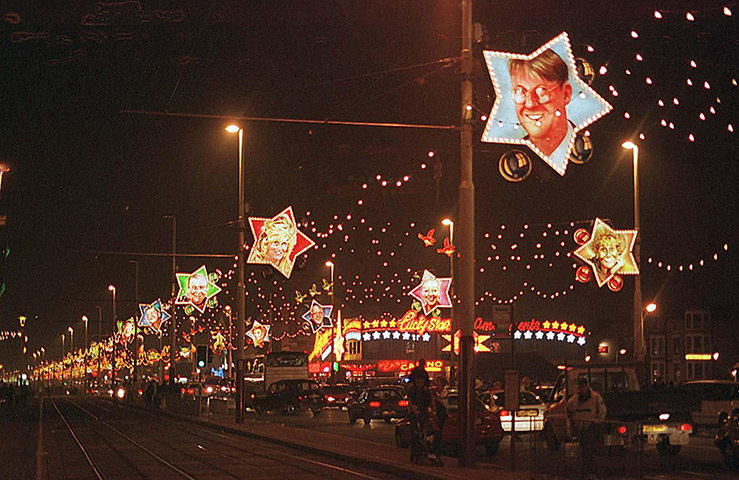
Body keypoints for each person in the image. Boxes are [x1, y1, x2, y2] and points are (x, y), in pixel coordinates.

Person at [508, 49, 573, 160]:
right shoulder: (513, 157)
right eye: (520, 91)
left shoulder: (596, 145)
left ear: (566, 94)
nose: (530, 104)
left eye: (541, 91)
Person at [566, 377, 606, 478]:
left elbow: (602, 411)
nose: (582, 389)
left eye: (583, 386)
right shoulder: (576, 399)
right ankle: (586, 471)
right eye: (580, 386)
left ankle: (592, 472)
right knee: (584, 451)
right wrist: (576, 397)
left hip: (591, 427)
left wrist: (596, 422)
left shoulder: (595, 397)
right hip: (581, 427)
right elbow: (570, 407)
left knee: (590, 450)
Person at [251, 212, 298, 277]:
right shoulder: (254, 265)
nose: (279, 248)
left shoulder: (288, 269)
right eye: (276, 243)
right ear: (265, 243)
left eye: (284, 244)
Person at [407, 370, 436, 465]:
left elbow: (431, 401)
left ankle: (424, 454)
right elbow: (410, 402)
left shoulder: (426, 391)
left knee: (426, 435)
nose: (420, 383)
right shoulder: (413, 391)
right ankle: (416, 454)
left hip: (424, 413)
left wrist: (431, 410)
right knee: (416, 435)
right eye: (418, 381)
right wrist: (414, 411)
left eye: (421, 381)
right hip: (416, 414)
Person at [431, 376, 449, 465]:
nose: (437, 383)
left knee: (439, 433)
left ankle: (436, 451)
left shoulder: (445, 392)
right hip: (435, 414)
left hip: (441, 414)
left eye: (438, 382)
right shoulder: (433, 392)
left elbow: (442, 398)